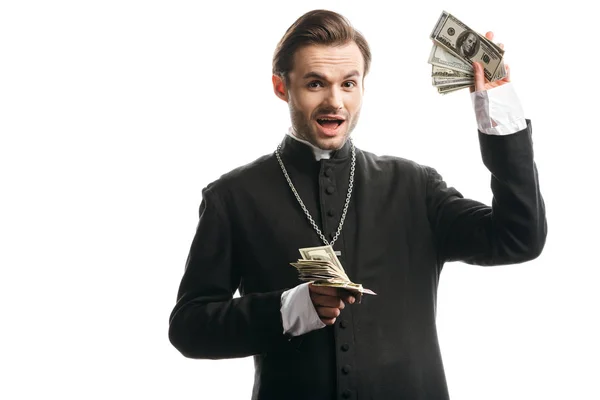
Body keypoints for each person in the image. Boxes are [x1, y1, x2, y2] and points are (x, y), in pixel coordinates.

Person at [168, 9, 547, 400]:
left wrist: (498, 111)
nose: (335, 101)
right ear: (281, 87)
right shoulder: (233, 197)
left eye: (348, 84)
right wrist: (288, 309)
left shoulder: (416, 187)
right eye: (316, 83)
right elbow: (189, 327)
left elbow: (519, 238)